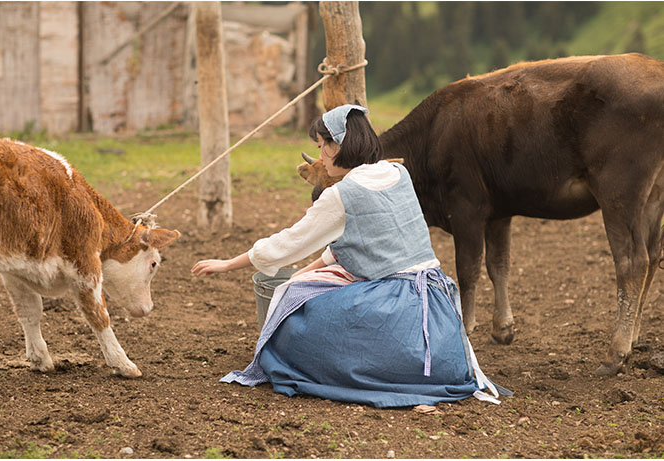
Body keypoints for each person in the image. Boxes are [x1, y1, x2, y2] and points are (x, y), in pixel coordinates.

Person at [191, 104, 506, 408]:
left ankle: (374, 365)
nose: (320, 157)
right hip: (438, 311)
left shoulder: (341, 194)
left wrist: (229, 264)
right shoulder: (399, 173)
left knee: (292, 324)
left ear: (339, 144)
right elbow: (356, 244)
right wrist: (303, 272)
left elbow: (289, 243)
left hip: (396, 310)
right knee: (302, 286)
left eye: (322, 147)